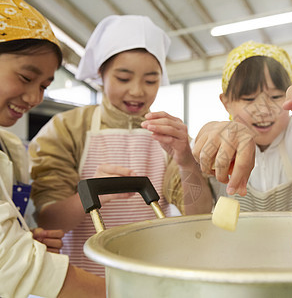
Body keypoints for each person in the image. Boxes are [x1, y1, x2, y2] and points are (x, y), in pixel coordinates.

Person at [28, 15, 213, 276]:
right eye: (124, 78)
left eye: (151, 81)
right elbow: (49, 220)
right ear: (101, 74)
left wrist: (186, 160)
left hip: (151, 276)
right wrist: (94, 192)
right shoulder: (67, 129)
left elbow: (199, 218)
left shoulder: (168, 135)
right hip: (83, 280)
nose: (138, 91)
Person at [0, 0, 105, 297]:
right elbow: (8, 263)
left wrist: (23, 238)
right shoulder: (65, 128)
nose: (35, 97)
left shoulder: (10, 147)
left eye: (45, 85)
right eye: (26, 77)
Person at [193, 41, 292, 211]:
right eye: (249, 99)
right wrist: (208, 131)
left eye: (276, 97)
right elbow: (203, 141)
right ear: (226, 103)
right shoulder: (222, 141)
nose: (264, 110)